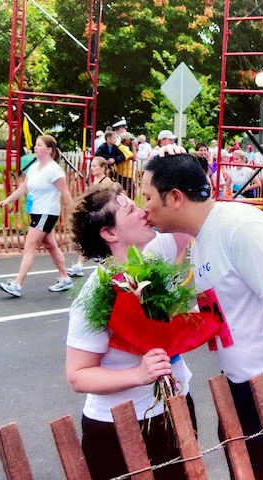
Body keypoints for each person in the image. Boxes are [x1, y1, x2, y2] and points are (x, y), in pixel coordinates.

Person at [141, 151, 263, 480]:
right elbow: (223, 310)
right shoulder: (202, 239)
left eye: (147, 197)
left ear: (174, 198)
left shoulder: (239, 227)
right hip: (247, 382)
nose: (144, 208)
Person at [66, 182, 195, 480]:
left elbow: (184, 215)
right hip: (119, 426)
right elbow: (78, 374)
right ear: (110, 233)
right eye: (131, 209)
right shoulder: (96, 294)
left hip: (176, 408)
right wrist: (138, 375)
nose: (143, 211)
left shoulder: (155, 253)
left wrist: (173, 168)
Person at [0, 134, 74, 297]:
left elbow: (65, 192)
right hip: (36, 211)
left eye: (39, 145)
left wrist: (73, 212)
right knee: (51, 245)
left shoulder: (54, 170)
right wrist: (8, 200)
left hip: (46, 212)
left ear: (49, 150)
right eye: (36, 145)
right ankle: (65, 278)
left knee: (30, 245)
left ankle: (17, 284)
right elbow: (24, 188)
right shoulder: (34, 167)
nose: (35, 147)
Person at [67, 157, 115, 277]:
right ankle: (80, 265)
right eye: (91, 166)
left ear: (103, 167)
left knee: (101, 241)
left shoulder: (106, 181)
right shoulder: (94, 180)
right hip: (92, 214)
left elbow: (104, 199)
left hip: (101, 215)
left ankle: (106, 263)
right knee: (86, 237)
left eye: (95, 166)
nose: (92, 169)